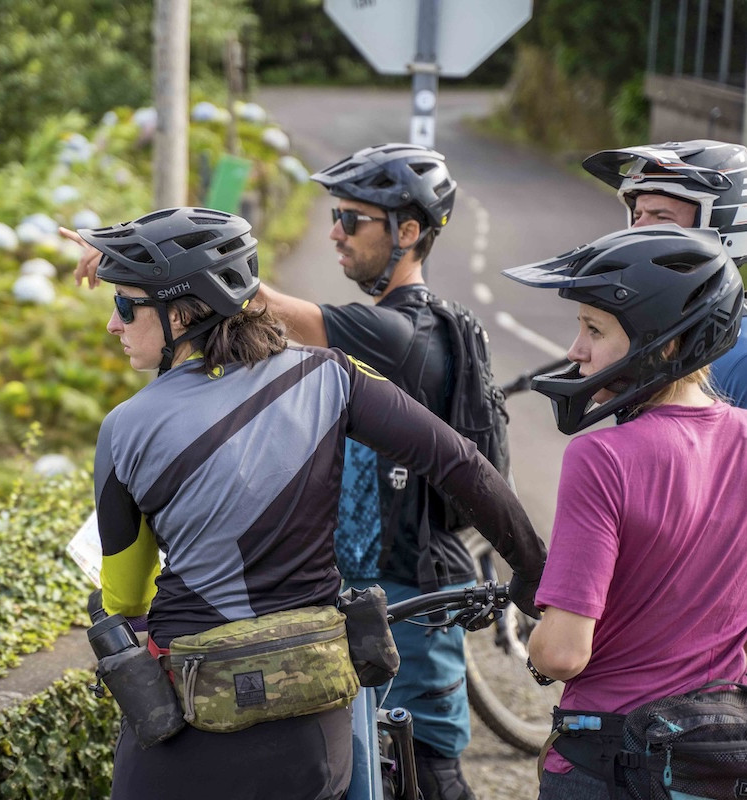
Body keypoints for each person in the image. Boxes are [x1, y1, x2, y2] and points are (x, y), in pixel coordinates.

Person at [70, 206, 547, 800]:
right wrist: (533, 568)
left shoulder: (124, 429)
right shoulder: (332, 376)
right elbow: (459, 463)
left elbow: (126, 598)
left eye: (125, 305)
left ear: (184, 311)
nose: (114, 326)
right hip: (312, 719)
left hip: (193, 716)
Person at [251, 142, 489, 800]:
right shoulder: (425, 325)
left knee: (430, 772)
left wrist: (143, 263)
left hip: (406, 600)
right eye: (335, 215)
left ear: (407, 232)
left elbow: (257, 305)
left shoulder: (401, 333)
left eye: (351, 219)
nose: (333, 232)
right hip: (386, 592)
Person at [502, 225, 747, 799]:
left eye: (594, 329)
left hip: (608, 760)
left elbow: (564, 653)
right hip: (715, 759)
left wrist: (536, 639)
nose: (574, 351)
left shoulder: (601, 456)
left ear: (663, 343)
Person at [582, 139, 747, 407]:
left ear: (723, 227)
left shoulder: (741, 361)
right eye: (637, 215)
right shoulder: (654, 334)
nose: (638, 230)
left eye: (661, 217)